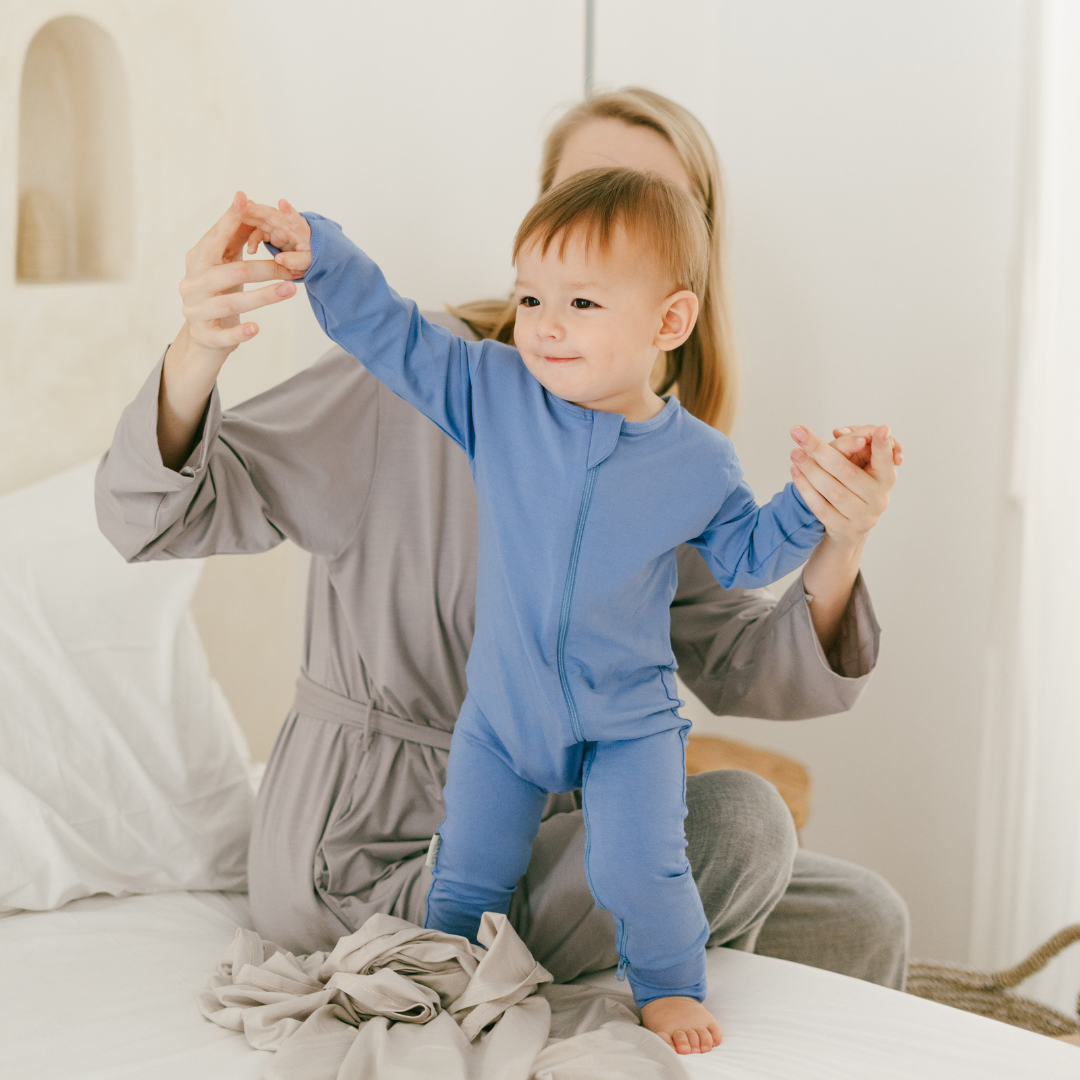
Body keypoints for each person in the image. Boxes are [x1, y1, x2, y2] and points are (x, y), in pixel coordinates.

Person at [96, 88, 906, 1057]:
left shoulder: (665, 451)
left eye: (645, 203)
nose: (606, 219)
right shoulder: (441, 386)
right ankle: (541, 975)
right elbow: (153, 514)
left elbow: (736, 657)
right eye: (584, 194)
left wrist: (840, 542)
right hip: (373, 837)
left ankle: (635, 982)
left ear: (679, 285)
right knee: (743, 830)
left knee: (862, 912)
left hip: (565, 811)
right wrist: (200, 347)